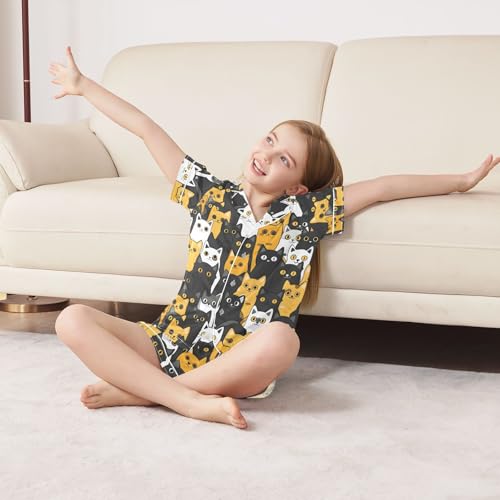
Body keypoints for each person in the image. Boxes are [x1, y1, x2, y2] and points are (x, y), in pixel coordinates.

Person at [48, 46, 499, 430]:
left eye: (284, 159)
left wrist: (462, 181)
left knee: (284, 340)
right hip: (167, 342)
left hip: (239, 362)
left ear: (299, 187)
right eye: (269, 140)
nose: (266, 154)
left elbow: (384, 187)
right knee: (72, 319)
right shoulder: (210, 195)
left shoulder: (304, 215)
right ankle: (182, 398)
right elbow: (147, 129)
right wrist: (84, 86)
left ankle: (147, 393)